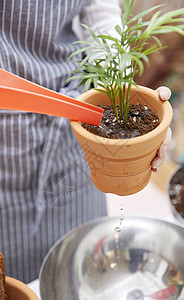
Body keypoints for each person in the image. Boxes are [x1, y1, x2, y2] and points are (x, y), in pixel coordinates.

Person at [0, 0, 171, 283]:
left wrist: (123, 88)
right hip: (7, 141)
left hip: (76, 119)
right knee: (14, 279)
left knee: (82, 265)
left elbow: (98, 9)